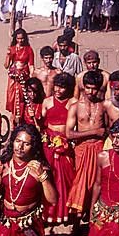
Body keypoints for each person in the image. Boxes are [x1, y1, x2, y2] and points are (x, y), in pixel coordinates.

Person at [65, 70, 107, 225]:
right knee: (79, 184)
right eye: (88, 87)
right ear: (83, 87)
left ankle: (92, 219)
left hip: (99, 149)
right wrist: (94, 132)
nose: (91, 91)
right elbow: (69, 134)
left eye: (94, 88)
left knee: (96, 183)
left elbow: (108, 128)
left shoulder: (103, 106)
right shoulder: (75, 106)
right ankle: (76, 223)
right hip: (81, 150)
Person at [41, 73, 77, 226]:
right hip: (48, 142)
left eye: (62, 87)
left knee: (67, 178)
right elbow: (41, 122)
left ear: (68, 88)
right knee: (48, 177)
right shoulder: (47, 102)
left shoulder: (73, 103)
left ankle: (65, 212)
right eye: (56, 86)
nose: (58, 90)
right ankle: (48, 212)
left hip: (65, 143)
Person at [5, 28, 35, 126]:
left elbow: (31, 65)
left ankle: (21, 122)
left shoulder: (29, 50)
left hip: (24, 77)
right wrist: (8, 55)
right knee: (12, 100)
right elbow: (6, 65)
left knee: (22, 99)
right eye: (18, 39)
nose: (20, 41)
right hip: (13, 79)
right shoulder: (12, 49)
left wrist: (31, 77)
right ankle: (13, 124)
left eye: (22, 39)